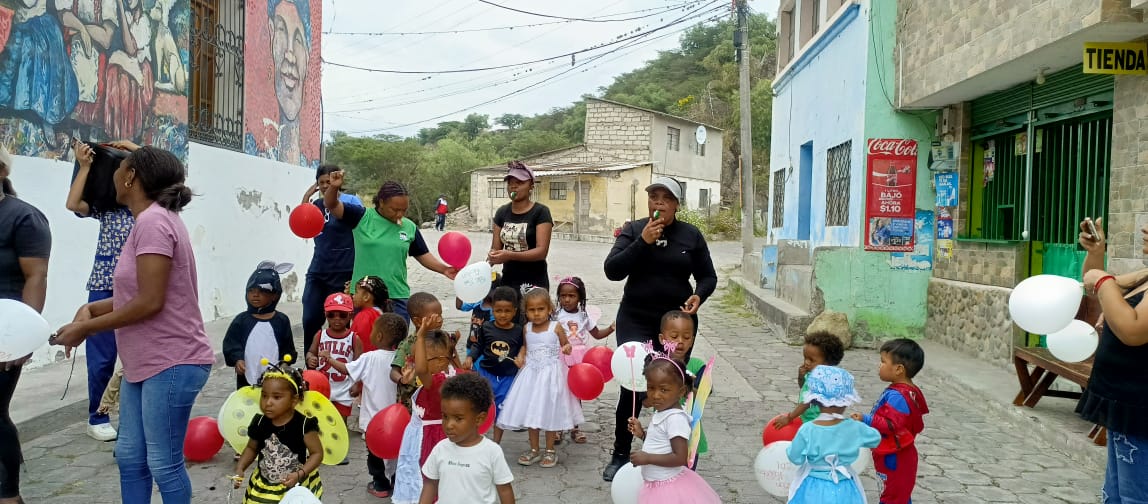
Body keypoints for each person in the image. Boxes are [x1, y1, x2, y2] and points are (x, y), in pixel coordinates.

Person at [53, 145, 215, 503]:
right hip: (144, 363)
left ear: (130, 177)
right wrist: (92, 309)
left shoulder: (154, 222)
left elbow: (150, 302)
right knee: (129, 456)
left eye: (118, 168)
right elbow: (140, 293)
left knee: (164, 464)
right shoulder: (149, 220)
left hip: (172, 360)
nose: (112, 175)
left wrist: (87, 329)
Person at [602, 175, 717, 481]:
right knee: (633, 389)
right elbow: (612, 270)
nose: (659, 203)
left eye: (666, 199)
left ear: (677, 205)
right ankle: (620, 453)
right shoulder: (634, 230)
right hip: (635, 318)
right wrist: (643, 242)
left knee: (672, 387)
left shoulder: (690, 235)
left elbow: (708, 277)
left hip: (675, 325)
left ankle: (672, 452)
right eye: (654, 197)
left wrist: (699, 295)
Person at [1074, 215, 1148, 504]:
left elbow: (1133, 330)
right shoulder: (1145, 275)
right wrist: (1096, 254)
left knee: (1136, 497)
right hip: (1126, 407)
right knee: (1116, 495)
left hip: (1140, 409)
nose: (1145, 228)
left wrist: (1103, 282)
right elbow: (1101, 286)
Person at [66, 139, 135, 442]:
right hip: (104, 287)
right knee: (102, 359)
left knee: (138, 354)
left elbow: (171, 174)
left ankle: (133, 414)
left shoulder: (148, 209)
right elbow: (73, 204)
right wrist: (84, 166)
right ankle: (98, 415)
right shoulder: (104, 210)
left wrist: (134, 147)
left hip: (140, 289)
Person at [323, 176, 457, 322]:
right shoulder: (361, 216)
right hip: (364, 297)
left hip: (397, 297)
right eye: (395, 209)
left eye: (404, 210)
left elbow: (422, 254)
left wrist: (444, 269)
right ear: (381, 202)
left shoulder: (409, 227)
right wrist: (334, 187)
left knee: (397, 336)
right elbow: (331, 204)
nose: (399, 214)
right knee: (363, 336)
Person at [0, 146, 51, 504]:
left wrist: (21, 339)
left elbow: (36, 276)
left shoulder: (24, 218)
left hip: (4, 331)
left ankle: (8, 495)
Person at [322, 313, 405, 498]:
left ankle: (380, 485)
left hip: (374, 420)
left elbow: (346, 369)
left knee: (375, 453)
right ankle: (396, 481)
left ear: (379, 336)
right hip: (397, 420)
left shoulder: (370, 358)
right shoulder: (402, 359)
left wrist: (329, 359)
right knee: (396, 452)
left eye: (373, 330)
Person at [497, 287, 579, 468]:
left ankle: (550, 450)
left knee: (550, 412)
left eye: (540, 309)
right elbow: (525, 347)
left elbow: (565, 344)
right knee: (531, 411)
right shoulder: (526, 328)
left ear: (549, 309)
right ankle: (534, 449)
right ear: (526, 312)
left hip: (551, 376)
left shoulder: (555, 327)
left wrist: (566, 348)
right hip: (531, 375)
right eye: (531, 310)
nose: (536, 313)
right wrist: (520, 357)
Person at [625, 349, 721, 504]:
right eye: (651, 388)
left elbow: (680, 457)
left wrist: (647, 458)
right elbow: (662, 444)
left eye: (664, 389)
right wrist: (642, 434)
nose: (656, 395)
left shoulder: (675, 418)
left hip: (667, 489)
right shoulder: (663, 412)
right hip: (656, 484)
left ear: (681, 392)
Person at [233, 360, 324, 502]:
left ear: (294, 400)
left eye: (276, 397)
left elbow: (317, 453)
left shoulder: (304, 424)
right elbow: (251, 448)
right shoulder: (260, 422)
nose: (268, 402)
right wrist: (240, 468)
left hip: (295, 484)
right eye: (264, 395)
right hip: (265, 485)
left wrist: (300, 473)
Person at [851, 338, 928, 504]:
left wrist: (865, 419)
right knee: (899, 495)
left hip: (895, 456)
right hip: (898, 452)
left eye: (883, 361)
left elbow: (891, 425)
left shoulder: (898, 396)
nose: (879, 365)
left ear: (899, 369)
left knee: (892, 496)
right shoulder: (910, 391)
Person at [788, 366, 881, 503]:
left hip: (813, 487)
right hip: (845, 486)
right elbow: (875, 438)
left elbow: (795, 457)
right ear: (845, 402)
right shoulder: (854, 427)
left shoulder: (807, 429)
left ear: (815, 400)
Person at [420, 373, 516, 504]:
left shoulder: (492, 452)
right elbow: (430, 484)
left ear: (479, 419)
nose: (449, 425)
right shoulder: (440, 448)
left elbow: (504, 490)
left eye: (458, 418)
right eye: (445, 416)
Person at [391, 319, 457, 504]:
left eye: (421, 358)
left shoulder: (439, 382)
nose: (417, 364)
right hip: (417, 436)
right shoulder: (442, 375)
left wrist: (420, 336)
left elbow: (421, 370)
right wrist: (405, 380)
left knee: (426, 478)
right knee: (413, 473)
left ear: (441, 360)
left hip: (430, 439)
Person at [301, 165, 363, 352]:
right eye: (321, 182)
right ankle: (312, 361)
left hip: (344, 271)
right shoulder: (316, 206)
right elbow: (303, 225)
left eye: (329, 181)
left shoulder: (350, 202)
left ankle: (342, 361)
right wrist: (306, 197)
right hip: (318, 271)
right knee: (310, 318)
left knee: (341, 320)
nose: (325, 186)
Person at [553, 276, 614, 444]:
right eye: (563, 296)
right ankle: (558, 428)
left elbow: (597, 334)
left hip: (579, 359)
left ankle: (575, 427)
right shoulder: (556, 315)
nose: (567, 299)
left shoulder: (584, 316)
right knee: (560, 391)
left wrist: (611, 328)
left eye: (571, 296)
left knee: (576, 391)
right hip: (561, 358)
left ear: (580, 297)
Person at [222, 261, 297, 389]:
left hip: (275, 378)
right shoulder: (241, 320)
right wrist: (237, 359)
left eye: (262, 291)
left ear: (274, 295)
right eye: (251, 290)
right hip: (247, 376)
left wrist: (285, 363)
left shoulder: (282, 321)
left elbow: (287, 347)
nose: (255, 295)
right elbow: (232, 343)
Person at [465, 286, 524, 444]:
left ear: (515, 311)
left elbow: (523, 348)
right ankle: (475, 440)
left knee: (500, 411)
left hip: (507, 378)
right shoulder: (486, 327)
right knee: (481, 406)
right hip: (486, 374)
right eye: (498, 311)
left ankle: (496, 443)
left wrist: (521, 358)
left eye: (507, 311)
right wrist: (470, 357)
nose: (503, 315)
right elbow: (478, 346)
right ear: (493, 309)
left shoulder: (519, 331)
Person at [489, 161, 553, 293]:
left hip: (534, 283)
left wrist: (509, 255)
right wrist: (491, 257)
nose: (513, 186)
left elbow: (541, 252)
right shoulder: (502, 212)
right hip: (508, 281)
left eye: (519, 183)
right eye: (510, 183)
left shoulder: (541, 212)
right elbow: (496, 248)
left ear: (531, 186)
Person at [658, 310, 708, 469]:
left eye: (686, 338)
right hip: (663, 433)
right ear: (662, 339)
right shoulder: (657, 366)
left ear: (692, 340)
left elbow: (705, 392)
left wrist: (692, 385)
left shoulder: (698, 366)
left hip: (690, 434)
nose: (680, 342)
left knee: (687, 477)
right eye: (674, 337)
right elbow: (648, 398)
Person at [774, 331, 847, 430]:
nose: (806, 362)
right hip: (808, 418)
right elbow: (803, 387)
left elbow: (807, 402)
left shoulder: (822, 379)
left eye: (811, 360)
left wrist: (789, 417)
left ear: (828, 363)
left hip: (817, 422)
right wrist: (801, 377)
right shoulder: (813, 373)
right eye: (805, 358)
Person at [305, 293, 361, 419]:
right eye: (331, 315)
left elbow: (359, 365)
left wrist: (357, 384)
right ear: (325, 314)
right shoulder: (320, 335)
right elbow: (311, 352)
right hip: (322, 387)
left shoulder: (354, 338)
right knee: (321, 420)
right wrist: (310, 359)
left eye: (342, 315)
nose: (337, 319)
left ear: (350, 315)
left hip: (344, 389)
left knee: (340, 421)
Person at [391, 293, 450, 412]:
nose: (440, 320)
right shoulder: (408, 344)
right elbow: (393, 372)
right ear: (418, 321)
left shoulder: (442, 339)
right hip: (411, 403)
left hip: (435, 398)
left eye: (440, 315)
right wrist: (402, 379)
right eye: (434, 317)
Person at [351, 275, 392, 353]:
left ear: (366, 297)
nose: (353, 296)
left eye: (356, 292)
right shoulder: (381, 314)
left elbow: (357, 342)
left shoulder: (363, 316)